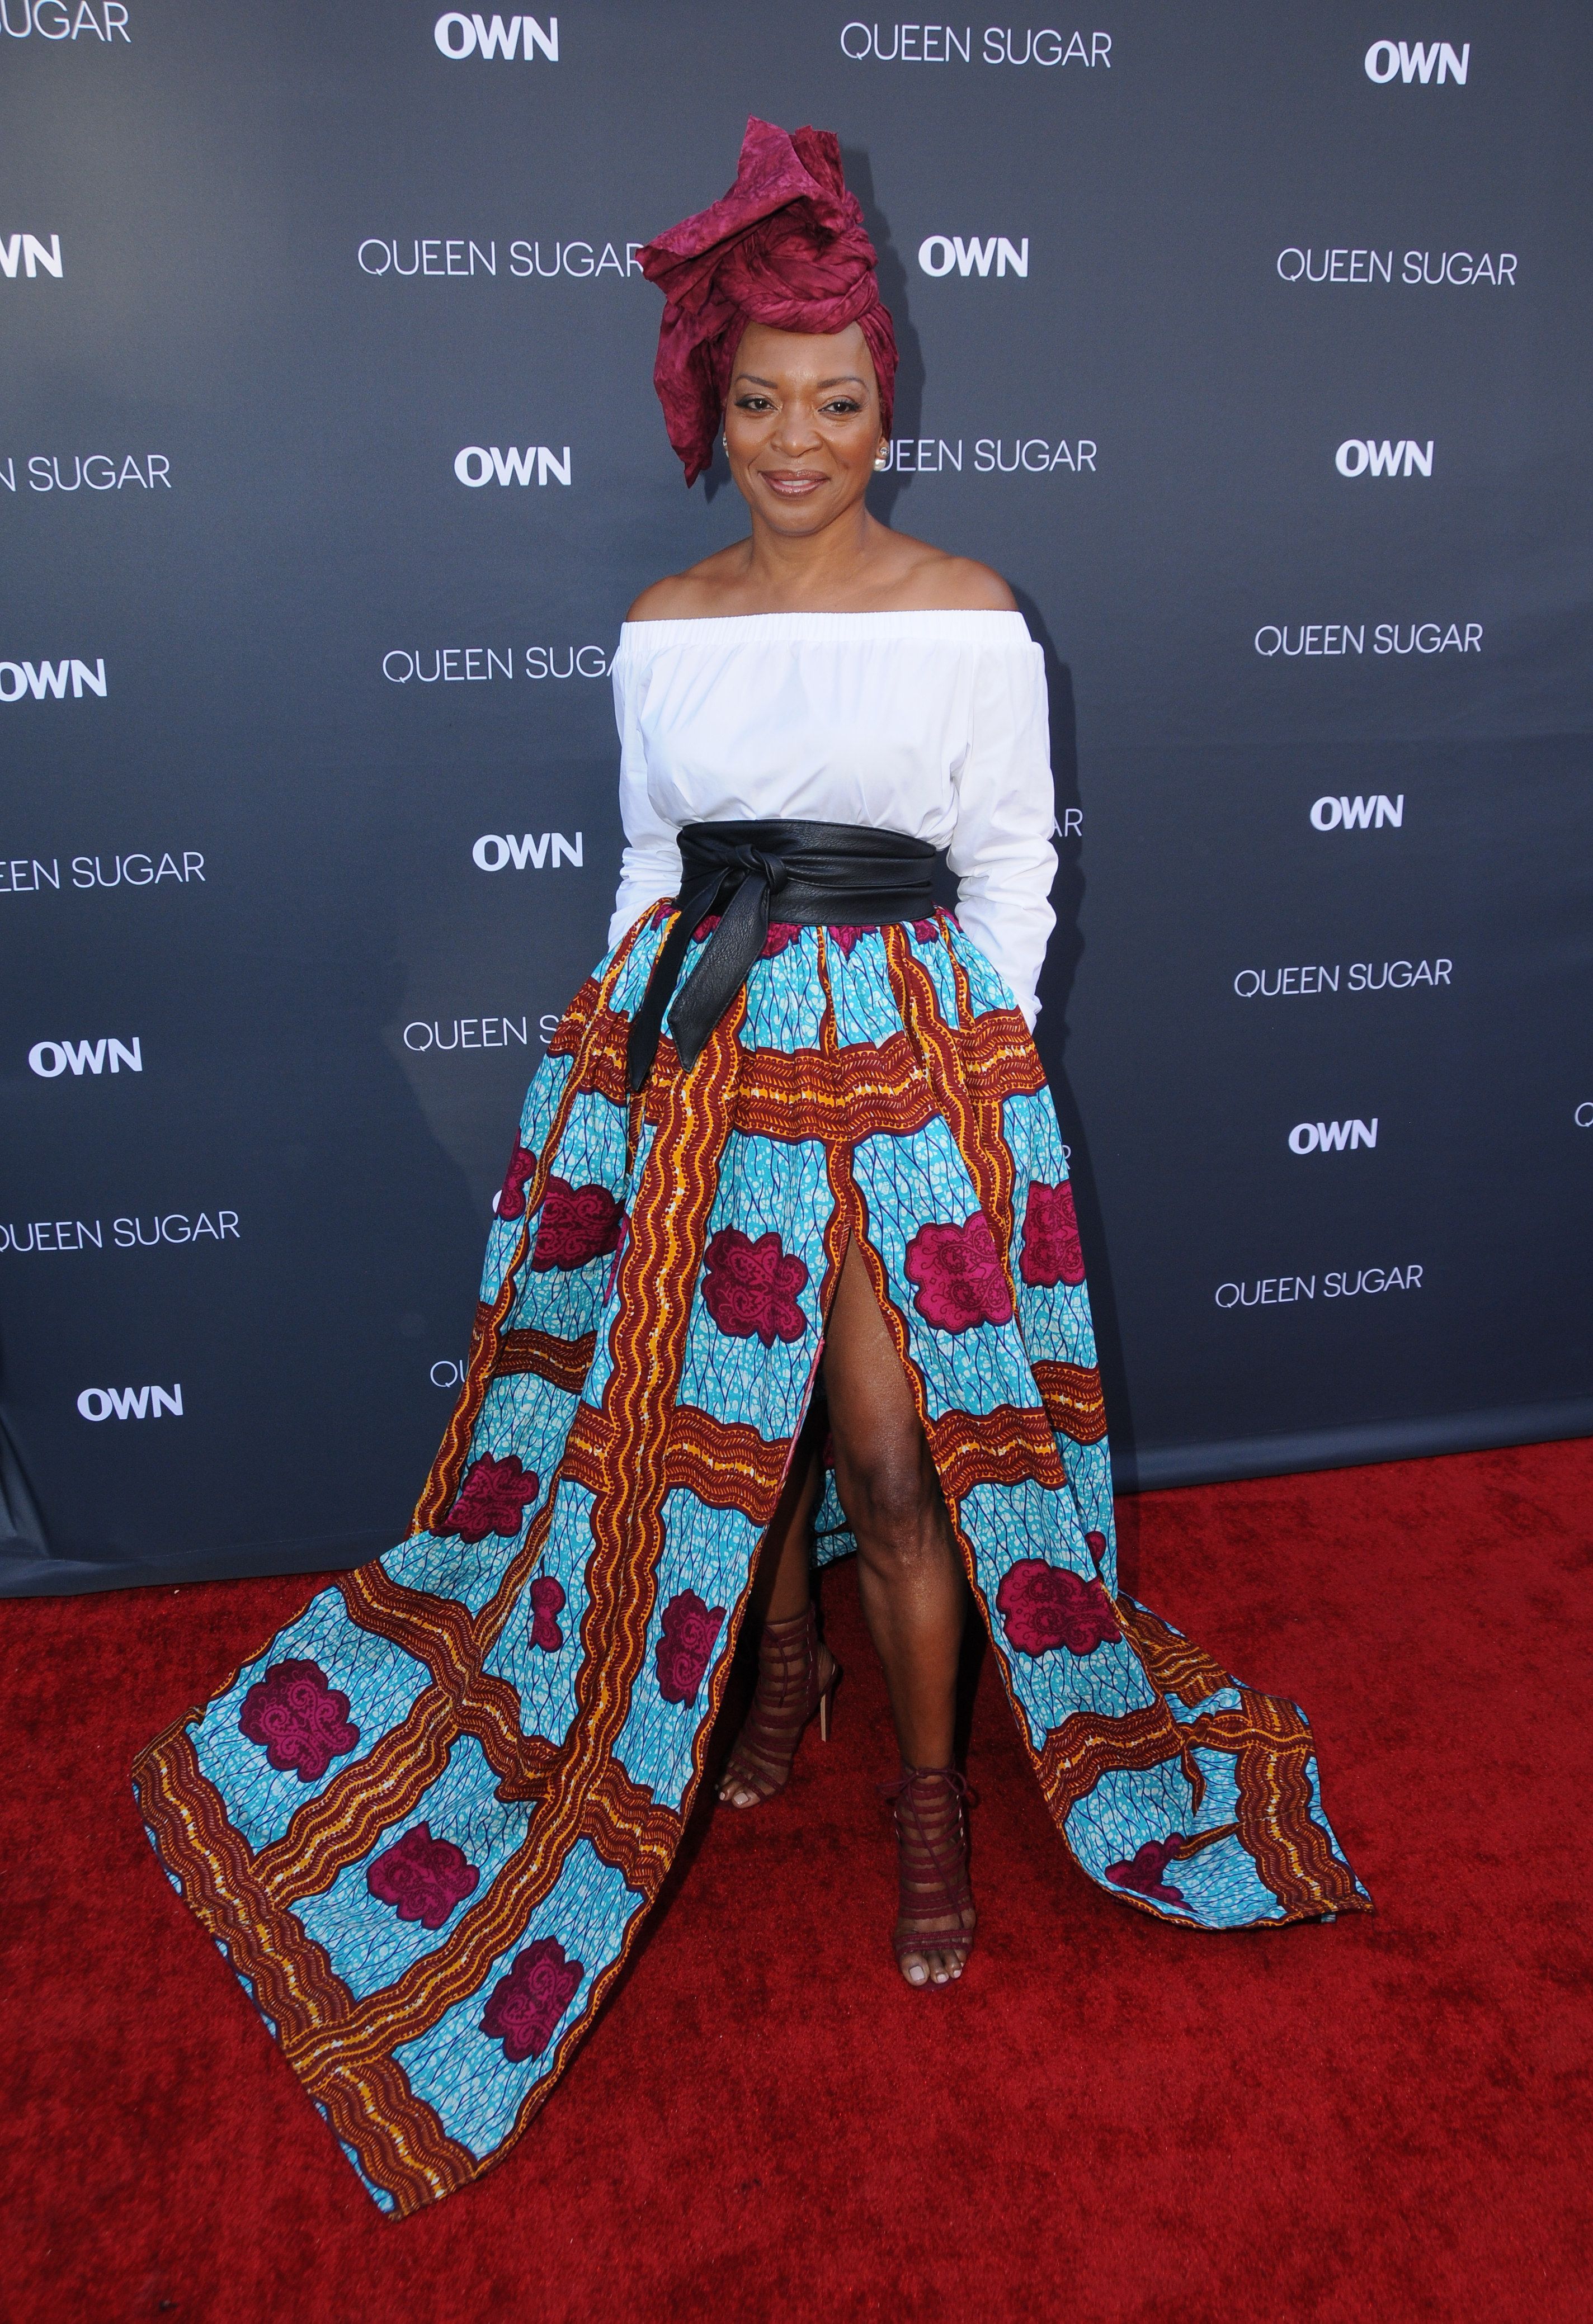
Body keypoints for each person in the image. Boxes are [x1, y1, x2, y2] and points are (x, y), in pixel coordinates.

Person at [134, 120, 1368, 2219]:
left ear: (892, 408)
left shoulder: (970, 615)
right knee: (712, 1410)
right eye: (764, 404)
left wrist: (958, 1071)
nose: (801, 442)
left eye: (840, 404)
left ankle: (928, 1797)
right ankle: (778, 1668)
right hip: (694, 1050)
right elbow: (648, 862)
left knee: (888, 1452)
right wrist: (615, 1071)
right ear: (714, 412)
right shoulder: (664, 624)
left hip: (905, 1068)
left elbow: (1013, 870)